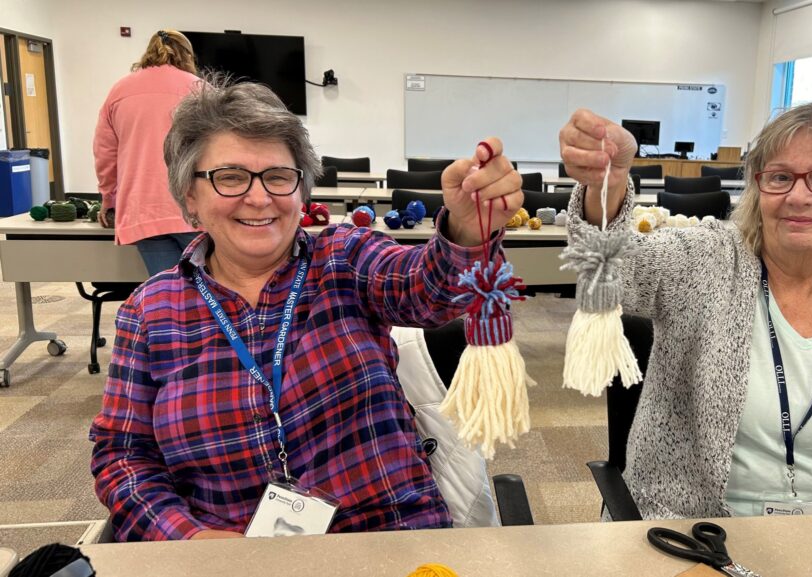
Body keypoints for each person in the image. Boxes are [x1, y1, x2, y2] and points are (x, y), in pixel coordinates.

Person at [89, 80, 523, 541]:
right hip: (233, 563)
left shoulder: (344, 259)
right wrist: (190, 538)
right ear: (190, 197)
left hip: (385, 542)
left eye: (278, 176)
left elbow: (429, 290)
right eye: (230, 177)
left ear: (302, 190)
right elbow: (122, 455)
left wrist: (465, 230)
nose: (259, 198)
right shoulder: (152, 311)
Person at [559, 102, 812, 519]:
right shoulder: (706, 261)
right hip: (697, 533)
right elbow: (609, 272)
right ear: (758, 190)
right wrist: (610, 187)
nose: (799, 196)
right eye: (780, 177)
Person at [93, 29, 202, 275]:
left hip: (143, 208)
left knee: (167, 295)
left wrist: (109, 200)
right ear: (187, 55)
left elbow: (105, 153)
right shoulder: (200, 89)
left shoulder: (119, 90)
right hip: (195, 206)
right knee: (208, 294)